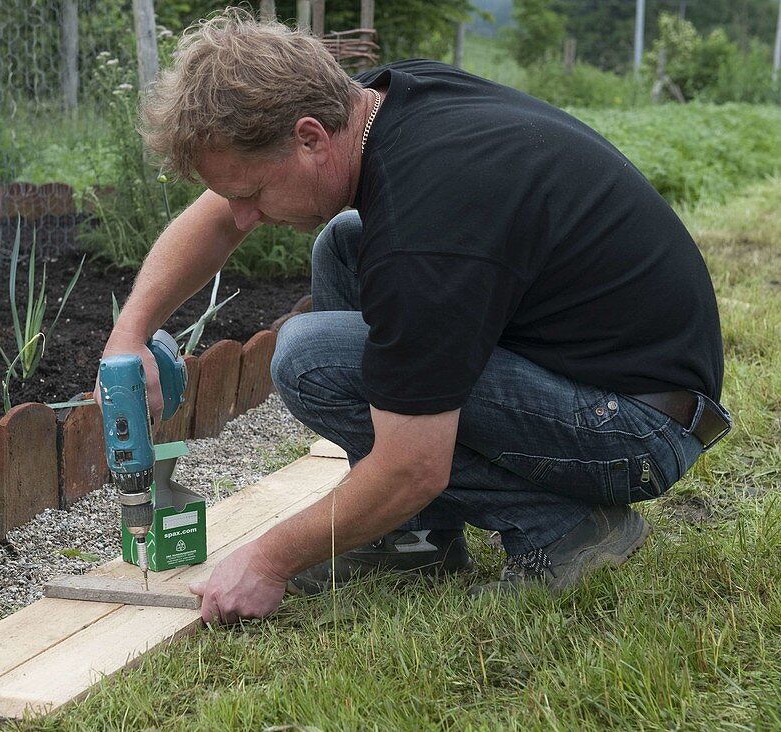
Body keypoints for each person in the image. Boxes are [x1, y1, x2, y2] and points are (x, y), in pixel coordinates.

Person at [98, 9, 730, 626]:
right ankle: (412, 540)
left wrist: (268, 560)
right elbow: (216, 213)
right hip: (621, 379)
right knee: (343, 244)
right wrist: (129, 335)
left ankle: (562, 527)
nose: (241, 217)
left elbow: (414, 466)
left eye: (251, 195)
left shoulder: (423, 224)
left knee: (309, 358)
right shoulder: (382, 105)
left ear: (310, 138)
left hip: (634, 433)